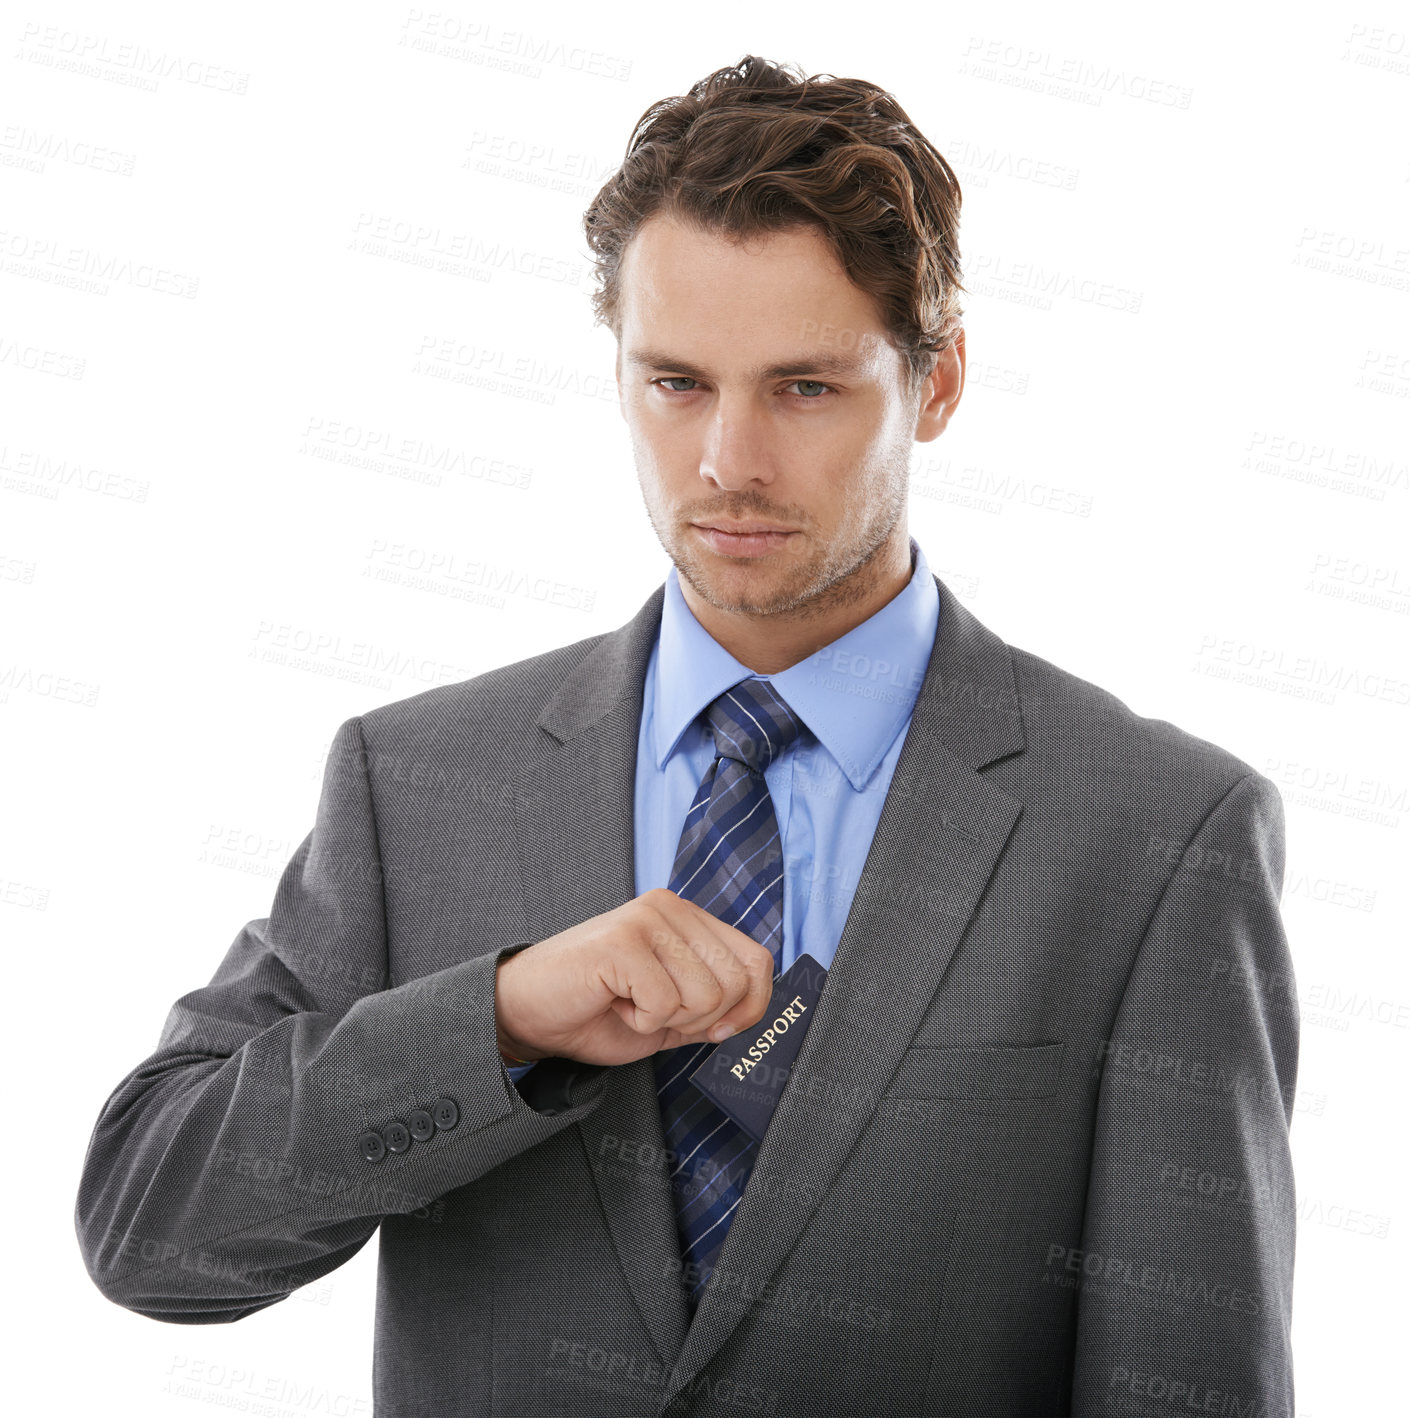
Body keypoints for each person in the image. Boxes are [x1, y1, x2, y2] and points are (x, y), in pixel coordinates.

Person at [75, 54, 1298, 1418]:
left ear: (936, 382)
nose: (726, 460)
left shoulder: (1157, 836)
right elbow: (148, 1231)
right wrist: (499, 1016)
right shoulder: (417, 785)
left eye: (803, 388)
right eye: (674, 382)